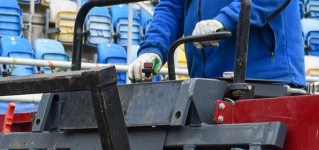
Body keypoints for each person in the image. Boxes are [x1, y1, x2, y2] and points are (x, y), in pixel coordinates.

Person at [129, 0, 305, 86]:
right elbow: (172, 7)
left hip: (266, 83)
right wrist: (153, 49)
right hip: (205, 88)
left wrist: (224, 20)